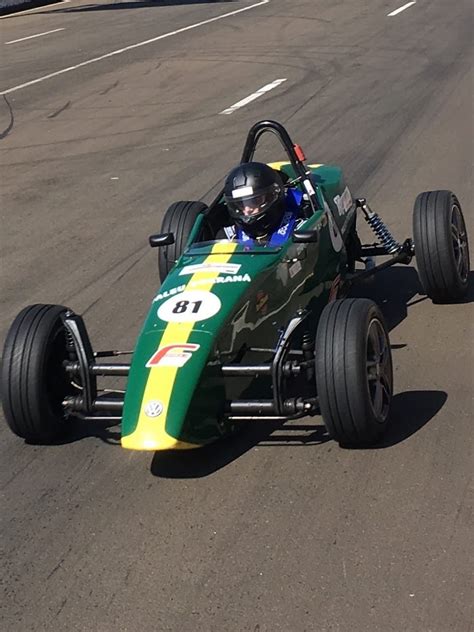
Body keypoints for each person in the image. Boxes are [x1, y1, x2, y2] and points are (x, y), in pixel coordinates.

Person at [223, 162, 304, 245]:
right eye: (241, 204)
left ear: (271, 197)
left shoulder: (299, 227)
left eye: (255, 201)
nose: (247, 210)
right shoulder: (229, 236)